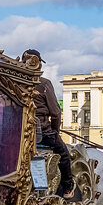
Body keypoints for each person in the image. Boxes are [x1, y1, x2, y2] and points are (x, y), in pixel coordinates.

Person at [25, 50, 72, 196]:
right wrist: (55, 131)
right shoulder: (44, 83)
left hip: (19, 133)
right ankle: (68, 187)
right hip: (42, 133)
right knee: (64, 154)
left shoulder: (15, 82)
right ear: (38, 64)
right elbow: (56, 112)